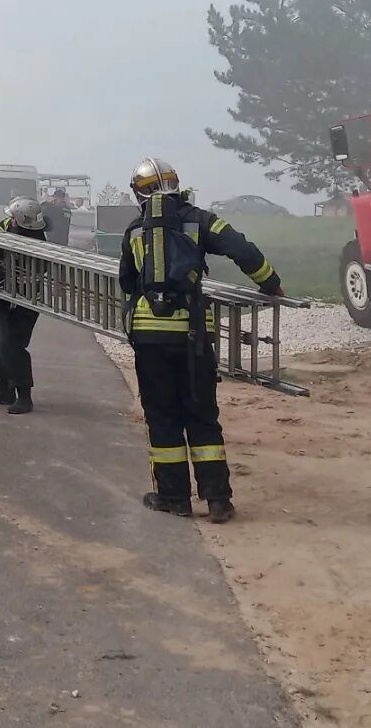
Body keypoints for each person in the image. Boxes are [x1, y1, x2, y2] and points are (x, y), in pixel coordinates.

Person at [119, 157, 281, 524]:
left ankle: (173, 498)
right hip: (193, 336)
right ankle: (218, 500)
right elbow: (243, 249)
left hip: (149, 337)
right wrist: (271, 283)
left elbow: (127, 282)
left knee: (162, 417)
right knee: (203, 416)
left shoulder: (133, 230)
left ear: (138, 194)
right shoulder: (201, 220)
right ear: (177, 185)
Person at [0, 198, 48, 415]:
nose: (9, 220)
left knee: (11, 348)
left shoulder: (36, 243)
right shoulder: (7, 227)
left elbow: (35, 273)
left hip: (22, 303)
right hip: (0, 296)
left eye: (13, 218)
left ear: (20, 221)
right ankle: (4, 390)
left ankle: (24, 395)